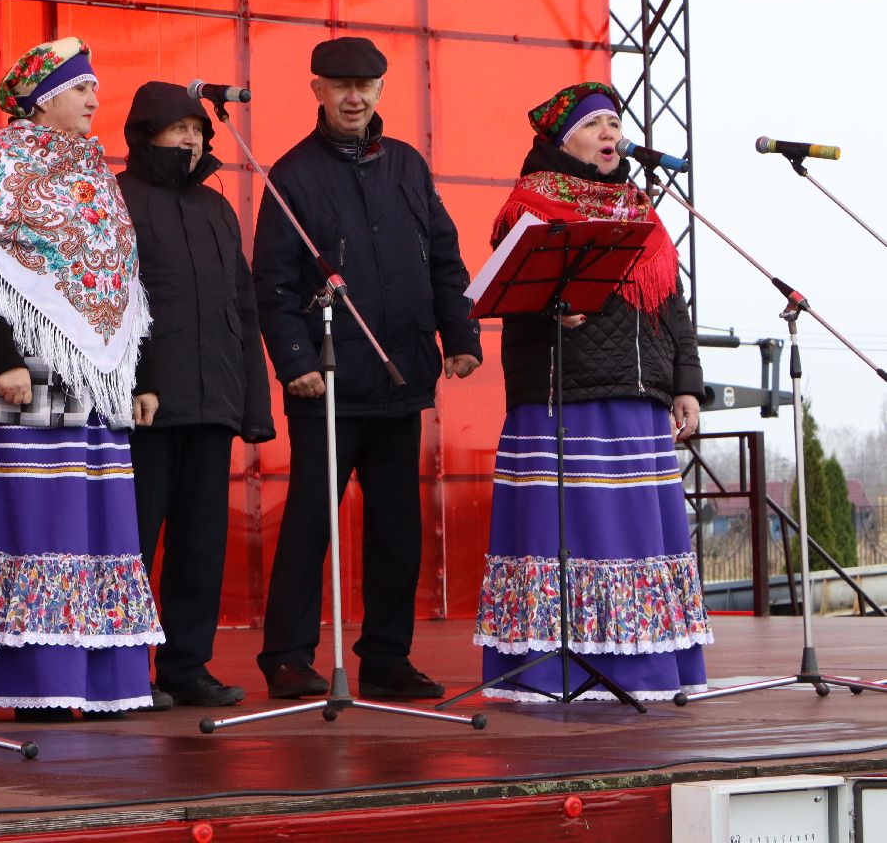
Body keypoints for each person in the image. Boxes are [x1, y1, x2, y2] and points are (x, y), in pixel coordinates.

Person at [254, 36, 481, 702]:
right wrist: (294, 359)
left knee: (398, 530)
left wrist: (459, 334)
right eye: (340, 85)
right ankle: (288, 657)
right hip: (326, 384)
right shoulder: (292, 174)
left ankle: (386, 655)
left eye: (367, 85)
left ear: (382, 90)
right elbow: (271, 281)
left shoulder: (408, 165)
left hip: (400, 377)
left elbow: (444, 256)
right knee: (308, 522)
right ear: (317, 90)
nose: (354, 97)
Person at [0, 37, 163, 720]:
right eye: (81, 88)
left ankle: (99, 679)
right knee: (37, 520)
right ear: (43, 99)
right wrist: (2, 357)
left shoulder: (94, 169)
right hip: (26, 372)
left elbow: (121, 281)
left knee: (92, 519)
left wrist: (138, 374)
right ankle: (35, 678)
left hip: (96, 379)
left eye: (94, 88)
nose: (95, 100)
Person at [473, 81, 711, 701]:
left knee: (638, 539)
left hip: (639, 399)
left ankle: (645, 668)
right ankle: (555, 670)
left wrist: (686, 383)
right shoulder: (530, 204)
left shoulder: (639, 206)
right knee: (576, 537)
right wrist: (549, 309)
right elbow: (510, 292)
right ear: (562, 138)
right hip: (563, 399)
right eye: (595, 124)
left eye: (614, 122)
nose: (610, 134)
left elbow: (670, 302)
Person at [116, 81, 274, 709]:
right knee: (134, 539)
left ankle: (188, 666)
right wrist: (131, 384)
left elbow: (244, 306)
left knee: (201, 543)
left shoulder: (217, 209)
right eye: (178, 128)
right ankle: (127, 670)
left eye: (198, 130)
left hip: (213, 401)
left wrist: (252, 406)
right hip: (144, 405)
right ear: (145, 134)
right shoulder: (118, 199)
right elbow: (110, 307)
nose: (192, 139)